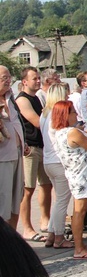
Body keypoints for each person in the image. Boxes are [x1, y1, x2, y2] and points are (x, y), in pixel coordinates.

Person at [51, 100, 87, 260]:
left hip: (79, 174)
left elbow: (86, 134)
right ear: (66, 115)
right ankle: (79, 248)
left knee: (81, 210)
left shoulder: (64, 132)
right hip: (81, 175)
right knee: (79, 211)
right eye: (73, 111)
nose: (76, 114)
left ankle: (81, 244)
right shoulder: (72, 132)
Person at [16, 66, 52, 242]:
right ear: (24, 82)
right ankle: (27, 228)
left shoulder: (37, 98)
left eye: (38, 78)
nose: (38, 81)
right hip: (30, 148)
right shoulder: (22, 100)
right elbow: (37, 122)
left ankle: (45, 221)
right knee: (28, 190)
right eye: (34, 79)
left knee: (46, 185)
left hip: (41, 146)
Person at [39, 83, 74, 249]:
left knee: (58, 200)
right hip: (58, 162)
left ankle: (51, 235)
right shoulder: (55, 113)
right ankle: (59, 237)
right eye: (65, 95)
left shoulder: (44, 113)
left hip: (48, 161)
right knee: (62, 201)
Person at [0, 66, 26, 230]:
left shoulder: (10, 98)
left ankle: (13, 239)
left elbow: (18, 123)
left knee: (17, 198)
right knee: (3, 199)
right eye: (4, 77)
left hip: (17, 153)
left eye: (9, 77)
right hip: (3, 157)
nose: (8, 80)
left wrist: (25, 142)